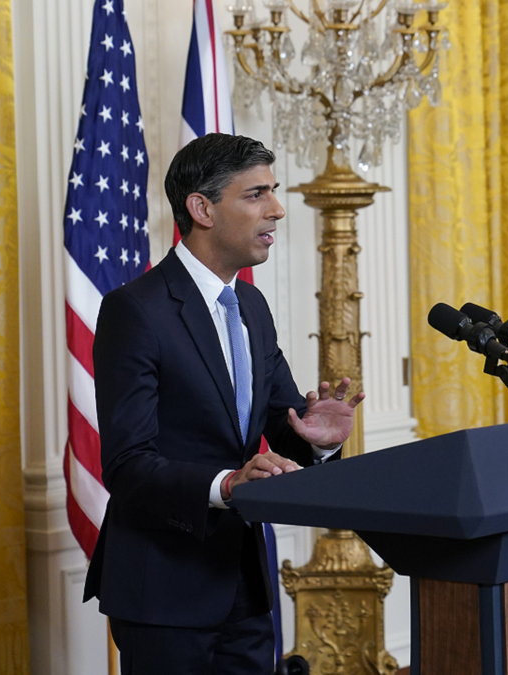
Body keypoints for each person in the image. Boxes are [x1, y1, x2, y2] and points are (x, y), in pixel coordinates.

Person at [83, 133, 363, 674]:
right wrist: (227, 483)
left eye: (273, 192)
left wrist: (319, 443)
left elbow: (285, 434)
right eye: (257, 194)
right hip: (163, 589)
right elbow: (127, 463)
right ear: (202, 208)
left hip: (245, 583)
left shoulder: (251, 306)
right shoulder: (135, 311)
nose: (277, 210)